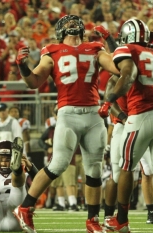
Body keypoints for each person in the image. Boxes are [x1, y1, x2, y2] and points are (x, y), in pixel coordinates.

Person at [13, 15, 119, 233]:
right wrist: (22, 66)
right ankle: (25, 208)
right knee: (59, 163)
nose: (72, 25)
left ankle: (92, 221)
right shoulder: (51, 51)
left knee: (94, 169)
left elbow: (119, 67)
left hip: (93, 114)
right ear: (60, 31)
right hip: (68, 113)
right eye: (67, 23)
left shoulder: (95, 47)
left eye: (75, 22)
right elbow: (33, 82)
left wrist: (110, 41)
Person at [98, 19, 153, 232]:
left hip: (140, 117)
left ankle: (122, 220)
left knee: (126, 168)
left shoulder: (128, 50)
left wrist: (109, 100)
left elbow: (127, 76)